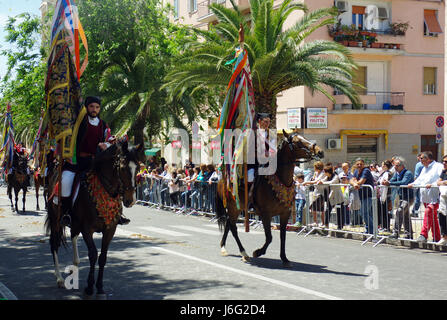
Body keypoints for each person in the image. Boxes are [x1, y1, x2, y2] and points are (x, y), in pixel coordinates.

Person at [60, 96, 130, 226]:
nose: (94, 109)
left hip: (97, 162)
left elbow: (108, 140)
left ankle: (118, 213)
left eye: (97, 107)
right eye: (92, 106)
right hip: (78, 161)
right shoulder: (78, 123)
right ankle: (66, 213)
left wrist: (107, 145)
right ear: (87, 107)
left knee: (116, 181)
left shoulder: (103, 125)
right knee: (65, 181)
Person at [408, 151, 443, 243]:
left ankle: (423, 234)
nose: (420, 160)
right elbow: (420, 179)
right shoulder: (424, 168)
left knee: (428, 212)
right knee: (433, 217)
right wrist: (413, 184)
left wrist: (433, 184)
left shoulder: (438, 167)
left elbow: (442, 179)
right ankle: (437, 237)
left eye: (422, 158)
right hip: (426, 197)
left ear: (428, 159)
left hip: (435, 197)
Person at [383, 157, 414, 239]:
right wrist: (387, 182)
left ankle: (396, 232)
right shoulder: (397, 173)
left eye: (397, 166)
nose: (395, 168)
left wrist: (389, 183)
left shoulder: (408, 173)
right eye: (394, 166)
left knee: (399, 212)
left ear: (402, 166)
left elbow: (404, 182)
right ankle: (409, 234)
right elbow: (392, 180)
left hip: (408, 197)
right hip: (401, 197)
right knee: (405, 215)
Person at [350, 158, 375, 234]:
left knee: (363, 212)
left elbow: (361, 181)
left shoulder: (366, 171)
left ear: (364, 165)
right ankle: (369, 230)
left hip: (369, 195)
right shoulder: (356, 171)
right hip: (362, 195)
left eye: (361, 164)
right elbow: (351, 180)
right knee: (367, 213)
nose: (359, 165)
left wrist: (356, 183)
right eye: (358, 164)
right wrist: (354, 184)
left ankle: (372, 230)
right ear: (355, 165)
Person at [320, 164, 344, 229]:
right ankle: (326, 225)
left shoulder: (335, 176)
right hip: (330, 197)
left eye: (325, 172)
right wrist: (319, 181)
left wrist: (322, 183)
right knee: (327, 211)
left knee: (339, 212)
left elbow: (331, 182)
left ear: (328, 172)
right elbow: (322, 181)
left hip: (338, 197)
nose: (324, 173)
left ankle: (340, 226)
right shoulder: (327, 177)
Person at [303, 161, 326, 227]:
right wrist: (312, 179)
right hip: (316, 192)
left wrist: (307, 182)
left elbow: (316, 181)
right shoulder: (316, 173)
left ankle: (321, 223)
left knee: (314, 207)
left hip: (322, 193)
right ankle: (318, 222)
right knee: (319, 209)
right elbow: (313, 179)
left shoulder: (322, 173)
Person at [376, 160, 393, 232]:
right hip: (381, 194)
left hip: (386, 195)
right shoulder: (382, 173)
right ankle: (382, 225)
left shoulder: (388, 173)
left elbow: (387, 182)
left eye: (383, 165)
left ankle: (386, 227)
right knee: (381, 211)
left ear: (386, 166)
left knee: (385, 211)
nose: (381, 166)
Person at [436, 155, 447, 246]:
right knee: (442, 217)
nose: (444, 163)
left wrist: (442, 182)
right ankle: (444, 237)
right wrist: (444, 182)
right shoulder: (444, 171)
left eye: (446, 161)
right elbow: (438, 182)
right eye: (443, 161)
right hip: (443, 199)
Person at [412, 153, 423, 217]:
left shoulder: (419, 165)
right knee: (418, 199)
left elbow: (416, 175)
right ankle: (415, 211)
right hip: (421, 184)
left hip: (419, 184)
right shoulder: (419, 164)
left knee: (418, 199)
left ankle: (415, 211)